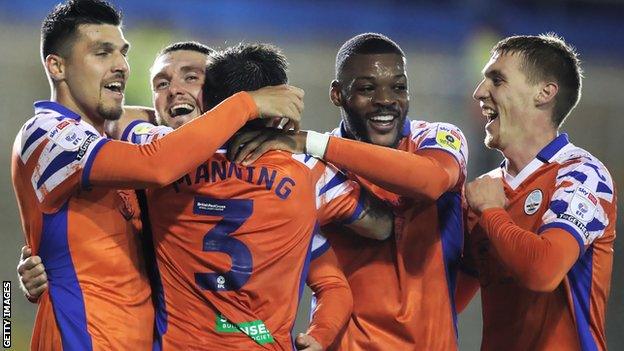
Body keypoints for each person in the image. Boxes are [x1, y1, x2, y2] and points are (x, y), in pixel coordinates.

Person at [20, 42, 392, 350]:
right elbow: (379, 227)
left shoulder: (142, 153)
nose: (175, 90)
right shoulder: (307, 173)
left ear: (217, 94)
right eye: (161, 83)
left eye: (191, 78)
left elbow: (120, 122)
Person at [11, 0, 302, 349]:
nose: (120, 65)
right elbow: (155, 162)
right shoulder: (47, 133)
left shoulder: (118, 145)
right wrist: (247, 104)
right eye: (102, 53)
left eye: (122, 53)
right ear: (57, 66)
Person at [230, 33, 469, 350]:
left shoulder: (438, 138)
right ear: (337, 94)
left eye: (398, 87)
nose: (386, 99)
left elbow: (432, 181)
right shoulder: (308, 169)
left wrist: (315, 143)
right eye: (367, 89)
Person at [461, 34, 616, 351]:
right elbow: (449, 298)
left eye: (497, 80)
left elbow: (544, 272)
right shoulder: (485, 190)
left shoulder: (581, 175)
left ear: (544, 93)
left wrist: (492, 212)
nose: (479, 92)